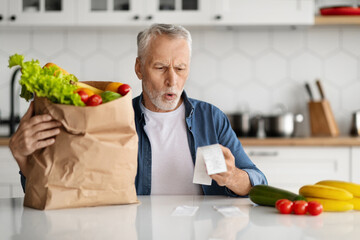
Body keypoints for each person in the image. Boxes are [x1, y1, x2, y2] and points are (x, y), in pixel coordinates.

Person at [9, 23, 267, 197]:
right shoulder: (112, 118)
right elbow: (59, 189)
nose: (172, 80)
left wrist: (232, 177)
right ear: (139, 68)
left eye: (180, 68)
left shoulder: (211, 118)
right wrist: (23, 159)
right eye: (160, 68)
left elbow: (258, 182)